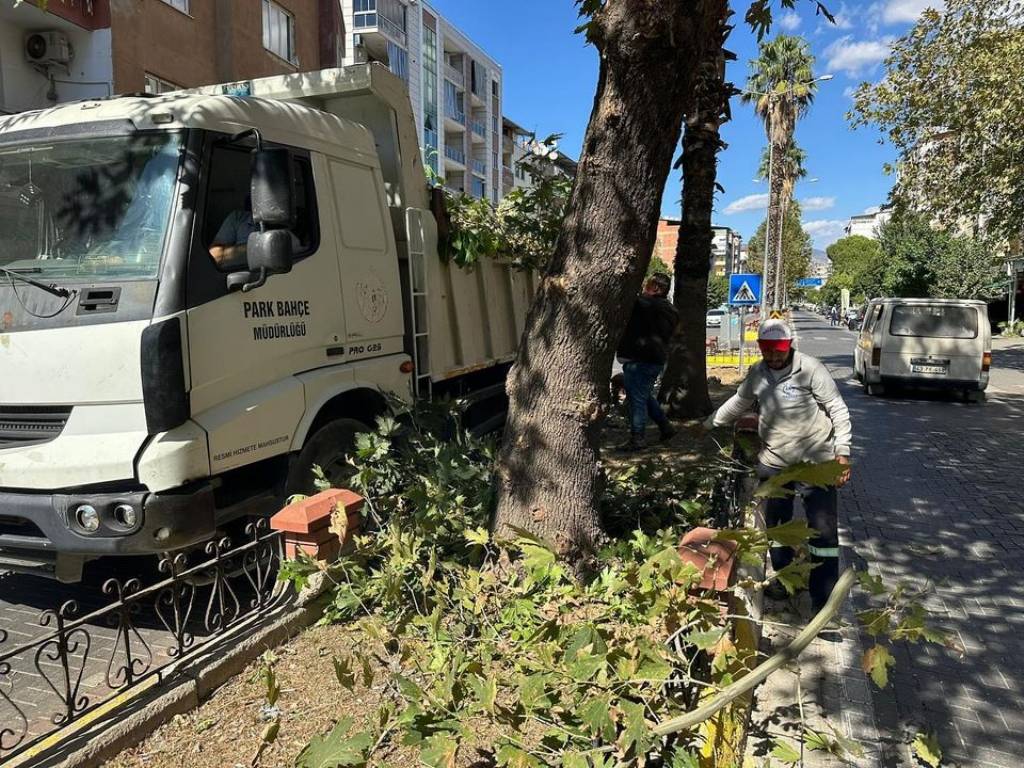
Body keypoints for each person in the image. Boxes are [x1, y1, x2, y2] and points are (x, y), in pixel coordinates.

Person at [702, 319, 852, 612]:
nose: (774, 357)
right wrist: (709, 423)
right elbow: (739, 402)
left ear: (789, 347)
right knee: (777, 528)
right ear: (760, 348)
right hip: (774, 463)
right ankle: (785, 582)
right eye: (768, 351)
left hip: (815, 463)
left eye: (779, 351)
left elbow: (838, 409)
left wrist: (842, 452)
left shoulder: (810, 369)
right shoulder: (758, 373)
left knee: (822, 533)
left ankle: (823, 600)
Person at [615, 273, 679, 452]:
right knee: (643, 395)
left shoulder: (644, 304)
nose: (644, 286)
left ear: (656, 288)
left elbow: (624, 303)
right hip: (656, 360)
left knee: (637, 400)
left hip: (639, 360)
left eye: (647, 284)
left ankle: (638, 438)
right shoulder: (671, 310)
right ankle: (666, 427)